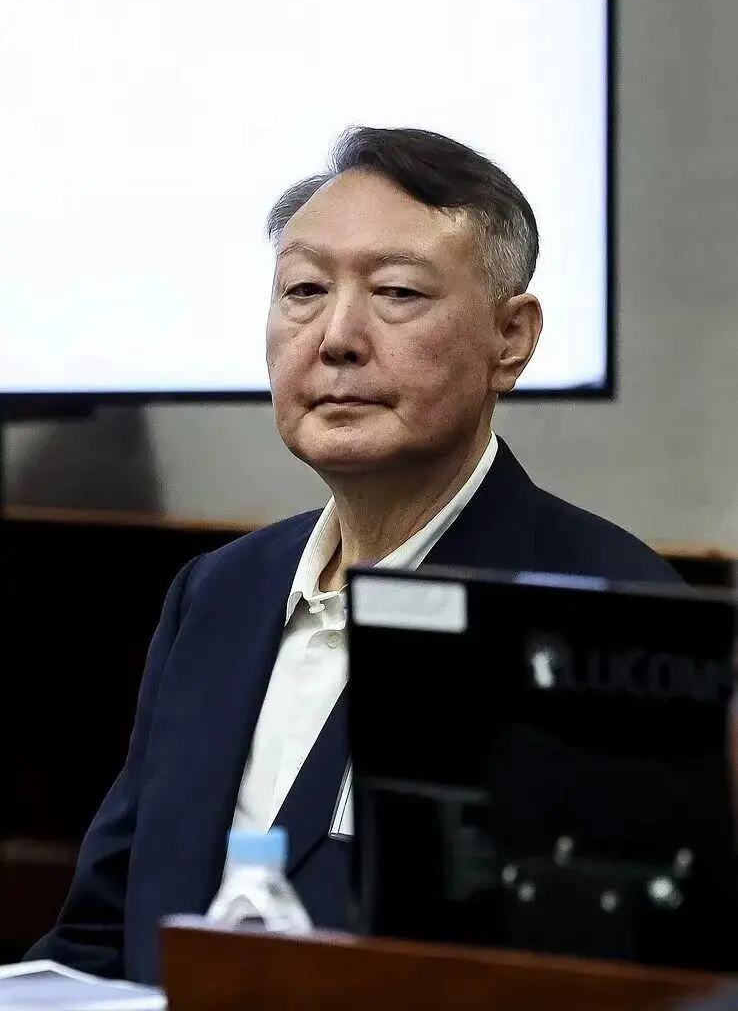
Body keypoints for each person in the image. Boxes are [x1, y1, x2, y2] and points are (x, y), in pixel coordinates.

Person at [25, 126, 682, 983]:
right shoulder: (218, 593)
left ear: (511, 338)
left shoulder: (601, 612)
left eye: (397, 292)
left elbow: (629, 980)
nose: (336, 336)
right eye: (303, 290)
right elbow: (98, 939)